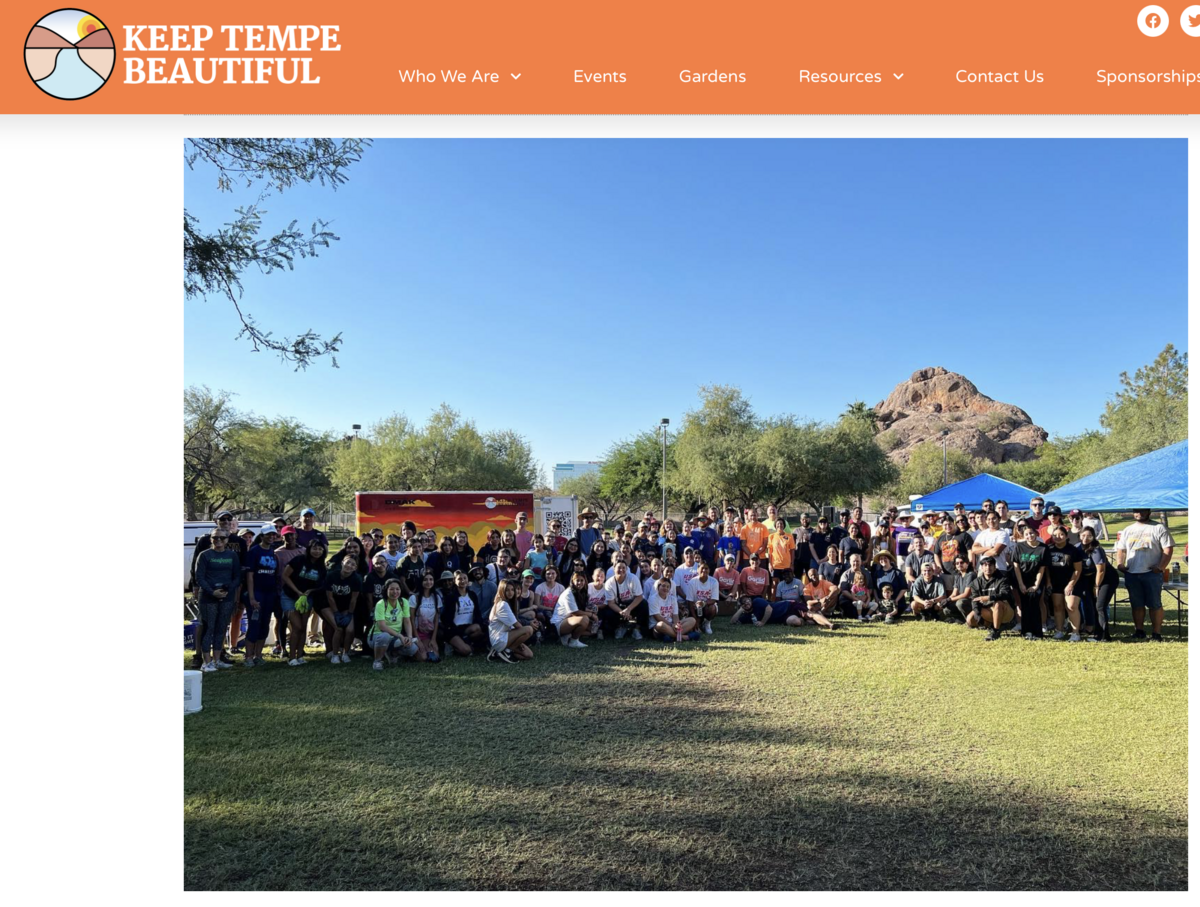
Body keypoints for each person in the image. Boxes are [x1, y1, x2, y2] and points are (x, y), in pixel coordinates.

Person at [194, 528, 242, 673]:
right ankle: (206, 662)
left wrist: (228, 590)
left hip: (226, 596)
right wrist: (212, 591)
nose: (218, 540)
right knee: (209, 628)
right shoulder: (204, 555)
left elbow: (237, 576)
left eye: (222, 538)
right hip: (208, 597)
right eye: (215, 538)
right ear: (211, 539)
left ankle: (217, 659)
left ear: (227, 540)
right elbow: (199, 577)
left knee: (221, 627)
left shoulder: (232, 555)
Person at [279, 538, 327, 666]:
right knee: (297, 626)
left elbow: (321, 585)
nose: (317, 551)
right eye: (315, 548)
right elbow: (285, 575)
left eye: (320, 549)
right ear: (309, 549)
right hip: (289, 596)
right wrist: (297, 591)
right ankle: (291, 657)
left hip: (306, 598)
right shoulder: (299, 559)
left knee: (303, 627)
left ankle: (300, 655)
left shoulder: (321, 566)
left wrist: (309, 591)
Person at [241, 527, 279, 667]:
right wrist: (251, 597)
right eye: (268, 535)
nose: (271, 537)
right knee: (254, 624)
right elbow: (249, 576)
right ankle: (248, 657)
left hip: (270, 593)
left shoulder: (272, 551)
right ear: (262, 536)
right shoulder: (254, 551)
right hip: (256, 593)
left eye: (273, 535)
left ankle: (258, 655)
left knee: (265, 624)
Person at [1043, 526, 1084, 641]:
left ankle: (1075, 633)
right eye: (1055, 535)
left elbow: (1078, 570)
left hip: (1072, 582)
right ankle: (1059, 630)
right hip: (1055, 582)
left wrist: (1070, 584)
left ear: (1066, 536)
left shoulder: (1073, 550)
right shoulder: (1049, 549)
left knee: (1071, 606)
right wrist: (1048, 581)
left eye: (1061, 534)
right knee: (1057, 607)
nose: (1058, 537)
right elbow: (1046, 568)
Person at [1078, 526, 1117, 642]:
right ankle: (1098, 633)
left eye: (1089, 536)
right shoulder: (1078, 548)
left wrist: (1096, 586)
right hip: (1093, 579)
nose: (1086, 538)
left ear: (1093, 537)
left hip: (1106, 579)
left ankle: (1104, 636)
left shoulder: (1096, 549)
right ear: (1079, 536)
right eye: (1083, 535)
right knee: (1095, 605)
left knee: (1100, 606)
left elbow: (1101, 570)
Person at [371, 578, 419, 670]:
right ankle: (377, 661)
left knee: (412, 648)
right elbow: (382, 626)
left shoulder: (404, 602)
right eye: (391, 589)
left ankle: (392, 654)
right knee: (385, 636)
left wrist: (409, 636)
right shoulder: (381, 603)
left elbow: (407, 621)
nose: (395, 592)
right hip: (378, 636)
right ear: (386, 590)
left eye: (397, 589)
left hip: (396, 637)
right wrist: (400, 636)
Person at [321, 555, 362, 663]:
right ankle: (335, 655)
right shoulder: (332, 575)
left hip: (345, 607)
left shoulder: (356, 579)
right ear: (342, 563)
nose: (349, 566)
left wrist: (349, 614)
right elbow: (329, 597)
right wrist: (336, 613)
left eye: (353, 564)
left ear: (355, 567)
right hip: (328, 605)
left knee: (350, 630)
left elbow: (354, 599)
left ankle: (345, 653)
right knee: (338, 628)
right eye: (348, 562)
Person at [1011, 523, 1048, 639]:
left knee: (1035, 604)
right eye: (1026, 534)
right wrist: (1021, 584)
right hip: (1022, 580)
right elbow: (1016, 566)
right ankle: (1026, 631)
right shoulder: (1019, 547)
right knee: (1025, 606)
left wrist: (1036, 585)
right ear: (1023, 535)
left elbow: (1042, 568)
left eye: (1031, 533)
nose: (1029, 536)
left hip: (1037, 580)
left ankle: (1037, 633)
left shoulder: (1043, 548)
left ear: (1036, 534)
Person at [966, 556, 1013, 641]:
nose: (988, 567)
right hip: (988, 610)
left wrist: (989, 597)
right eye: (985, 565)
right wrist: (977, 613)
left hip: (1005, 610)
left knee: (998, 604)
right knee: (970, 619)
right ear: (981, 567)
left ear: (995, 567)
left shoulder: (1002, 579)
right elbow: (975, 599)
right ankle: (992, 625)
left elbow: (1005, 594)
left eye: (991, 565)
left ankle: (995, 631)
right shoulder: (976, 582)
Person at [487, 578, 534, 662]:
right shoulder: (502, 604)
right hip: (499, 639)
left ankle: (500, 653)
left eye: (512, 589)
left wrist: (518, 642)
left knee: (528, 655)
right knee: (529, 629)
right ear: (502, 591)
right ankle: (507, 651)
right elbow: (518, 626)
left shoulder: (508, 603)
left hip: (507, 636)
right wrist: (519, 640)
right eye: (507, 590)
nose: (510, 592)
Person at [442, 570, 487, 656]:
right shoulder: (450, 597)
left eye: (464, 578)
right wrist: (452, 629)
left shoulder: (472, 595)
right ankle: (452, 645)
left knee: (478, 628)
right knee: (466, 651)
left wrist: (482, 625)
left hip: (467, 629)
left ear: (468, 579)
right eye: (459, 579)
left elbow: (477, 613)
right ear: (455, 581)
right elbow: (445, 618)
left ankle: (466, 642)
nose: (462, 581)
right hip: (454, 629)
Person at [602, 560, 647, 640]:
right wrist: (622, 612)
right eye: (619, 567)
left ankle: (637, 628)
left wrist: (629, 609)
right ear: (614, 568)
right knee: (608, 612)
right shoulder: (609, 583)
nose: (621, 570)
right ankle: (620, 626)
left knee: (644, 604)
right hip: (618, 606)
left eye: (624, 568)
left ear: (626, 569)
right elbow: (611, 603)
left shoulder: (633, 578)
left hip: (632, 605)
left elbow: (639, 596)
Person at [551, 569, 594, 648]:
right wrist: (591, 615)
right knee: (585, 619)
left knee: (592, 630)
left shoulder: (582, 592)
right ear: (572, 581)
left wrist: (592, 611)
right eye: (577, 580)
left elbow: (581, 609)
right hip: (559, 623)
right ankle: (573, 641)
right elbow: (575, 612)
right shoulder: (568, 593)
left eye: (582, 580)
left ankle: (568, 636)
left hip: (570, 620)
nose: (580, 583)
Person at [683, 559, 720, 634]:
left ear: (709, 570)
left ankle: (707, 623)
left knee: (713, 608)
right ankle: (697, 623)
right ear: (697, 569)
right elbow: (689, 602)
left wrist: (704, 603)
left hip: (707, 605)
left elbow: (714, 599)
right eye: (702, 568)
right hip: (695, 608)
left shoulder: (714, 581)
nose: (704, 570)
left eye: (706, 568)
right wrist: (695, 619)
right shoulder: (692, 582)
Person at [411, 572, 443, 659]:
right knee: (423, 658)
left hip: (428, 633)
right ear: (421, 581)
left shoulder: (436, 597)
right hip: (416, 632)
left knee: (435, 656)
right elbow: (411, 620)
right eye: (425, 580)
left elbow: (436, 620)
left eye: (431, 579)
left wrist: (433, 639)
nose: (428, 582)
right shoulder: (414, 598)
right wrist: (417, 639)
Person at [533, 564, 566, 630]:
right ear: (544, 575)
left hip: (557, 610)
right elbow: (537, 605)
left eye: (553, 573)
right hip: (543, 610)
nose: (550, 576)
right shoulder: (539, 587)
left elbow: (563, 604)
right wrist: (550, 609)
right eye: (548, 574)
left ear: (556, 574)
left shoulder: (561, 587)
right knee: (542, 615)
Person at [946, 555, 976, 622]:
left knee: (960, 603)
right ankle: (960, 619)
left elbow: (966, 594)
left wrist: (950, 599)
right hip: (963, 600)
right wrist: (947, 600)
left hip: (972, 601)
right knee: (946, 608)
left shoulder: (971, 575)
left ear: (967, 563)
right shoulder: (958, 575)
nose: (959, 564)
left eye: (961, 562)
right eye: (957, 563)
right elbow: (954, 593)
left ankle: (971, 620)